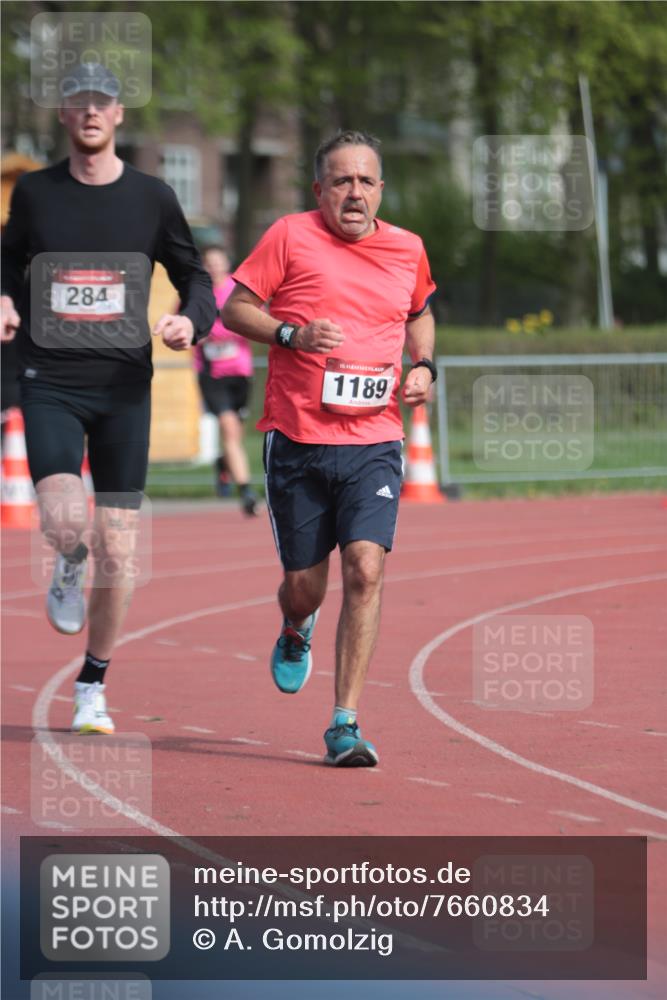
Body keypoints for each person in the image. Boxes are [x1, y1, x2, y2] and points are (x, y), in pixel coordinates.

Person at [0, 62, 216, 734]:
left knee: (120, 549)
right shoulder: (35, 193)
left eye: (102, 102)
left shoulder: (152, 198)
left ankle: (92, 686)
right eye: (77, 103)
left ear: (118, 113)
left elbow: (195, 275)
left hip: (125, 390)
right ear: (64, 115)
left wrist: (191, 320)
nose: (90, 112)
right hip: (51, 384)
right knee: (67, 522)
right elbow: (7, 260)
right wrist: (4, 297)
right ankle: (67, 562)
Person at [222, 129, 437, 767]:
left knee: (366, 571)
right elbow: (235, 309)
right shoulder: (289, 235)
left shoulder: (408, 248)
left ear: (380, 190)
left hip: (374, 438)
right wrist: (291, 331)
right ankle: (296, 627)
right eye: (340, 181)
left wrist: (423, 365)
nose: (354, 192)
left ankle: (344, 722)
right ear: (319, 189)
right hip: (298, 439)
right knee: (304, 586)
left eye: (365, 181)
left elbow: (422, 309)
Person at [194, 245, 259, 515]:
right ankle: (246, 492)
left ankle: (224, 464)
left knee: (236, 434)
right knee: (230, 431)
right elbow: (188, 328)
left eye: (219, 262)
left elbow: (255, 319)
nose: (214, 268)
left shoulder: (238, 288)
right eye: (209, 263)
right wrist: (201, 333)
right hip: (211, 373)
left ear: (226, 264)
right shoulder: (196, 292)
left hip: (240, 372)